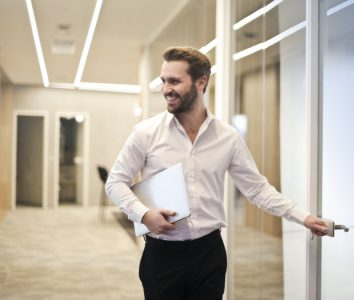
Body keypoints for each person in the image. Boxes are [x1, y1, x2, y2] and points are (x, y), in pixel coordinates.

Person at [105, 46, 329, 300]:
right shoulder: (146, 133)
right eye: (164, 80)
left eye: (175, 81)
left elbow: (257, 189)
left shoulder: (227, 137)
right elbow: (115, 182)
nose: (166, 88)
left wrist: (303, 217)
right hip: (162, 256)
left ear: (201, 83)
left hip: (209, 254)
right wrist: (144, 215)